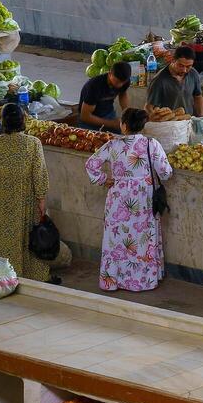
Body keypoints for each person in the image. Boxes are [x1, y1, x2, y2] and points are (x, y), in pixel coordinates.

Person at [83, 108, 171, 293]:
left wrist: (103, 179)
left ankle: (113, 281)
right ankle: (143, 281)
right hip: (143, 198)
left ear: (123, 125)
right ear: (142, 125)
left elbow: (91, 164)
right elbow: (165, 172)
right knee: (142, 239)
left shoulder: (112, 145)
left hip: (117, 197)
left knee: (116, 238)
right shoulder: (151, 144)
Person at [0, 103, 50, 281]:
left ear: (3, 122)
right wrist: (41, 198)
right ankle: (29, 275)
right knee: (26, 237)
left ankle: (5, 275)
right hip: (25, 199)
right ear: (23, 120)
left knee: (3, 238)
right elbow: (39, 172)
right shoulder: (33, 143)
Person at [146, 47, 203, 117]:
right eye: (181, 66)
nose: (184, 70)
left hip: (188, 120)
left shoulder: (193, 73)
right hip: (168, 123)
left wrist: (202, 116)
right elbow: (148, 107)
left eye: (188, 66)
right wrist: (157, 119)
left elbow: (198, 97)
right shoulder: (159, 80)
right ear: (173, 60)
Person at [76, 61, 132, 134]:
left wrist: (126, 112)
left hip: (108, 114)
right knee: (93, 140)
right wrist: (112, 124)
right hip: (89, 120)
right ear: (109, 74)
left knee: (120, 136)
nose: (120, 85)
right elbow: (85, 116)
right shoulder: (94, 86)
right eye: (117, 82)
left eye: (123, 82)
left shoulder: (124, 81)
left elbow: (123, 94)